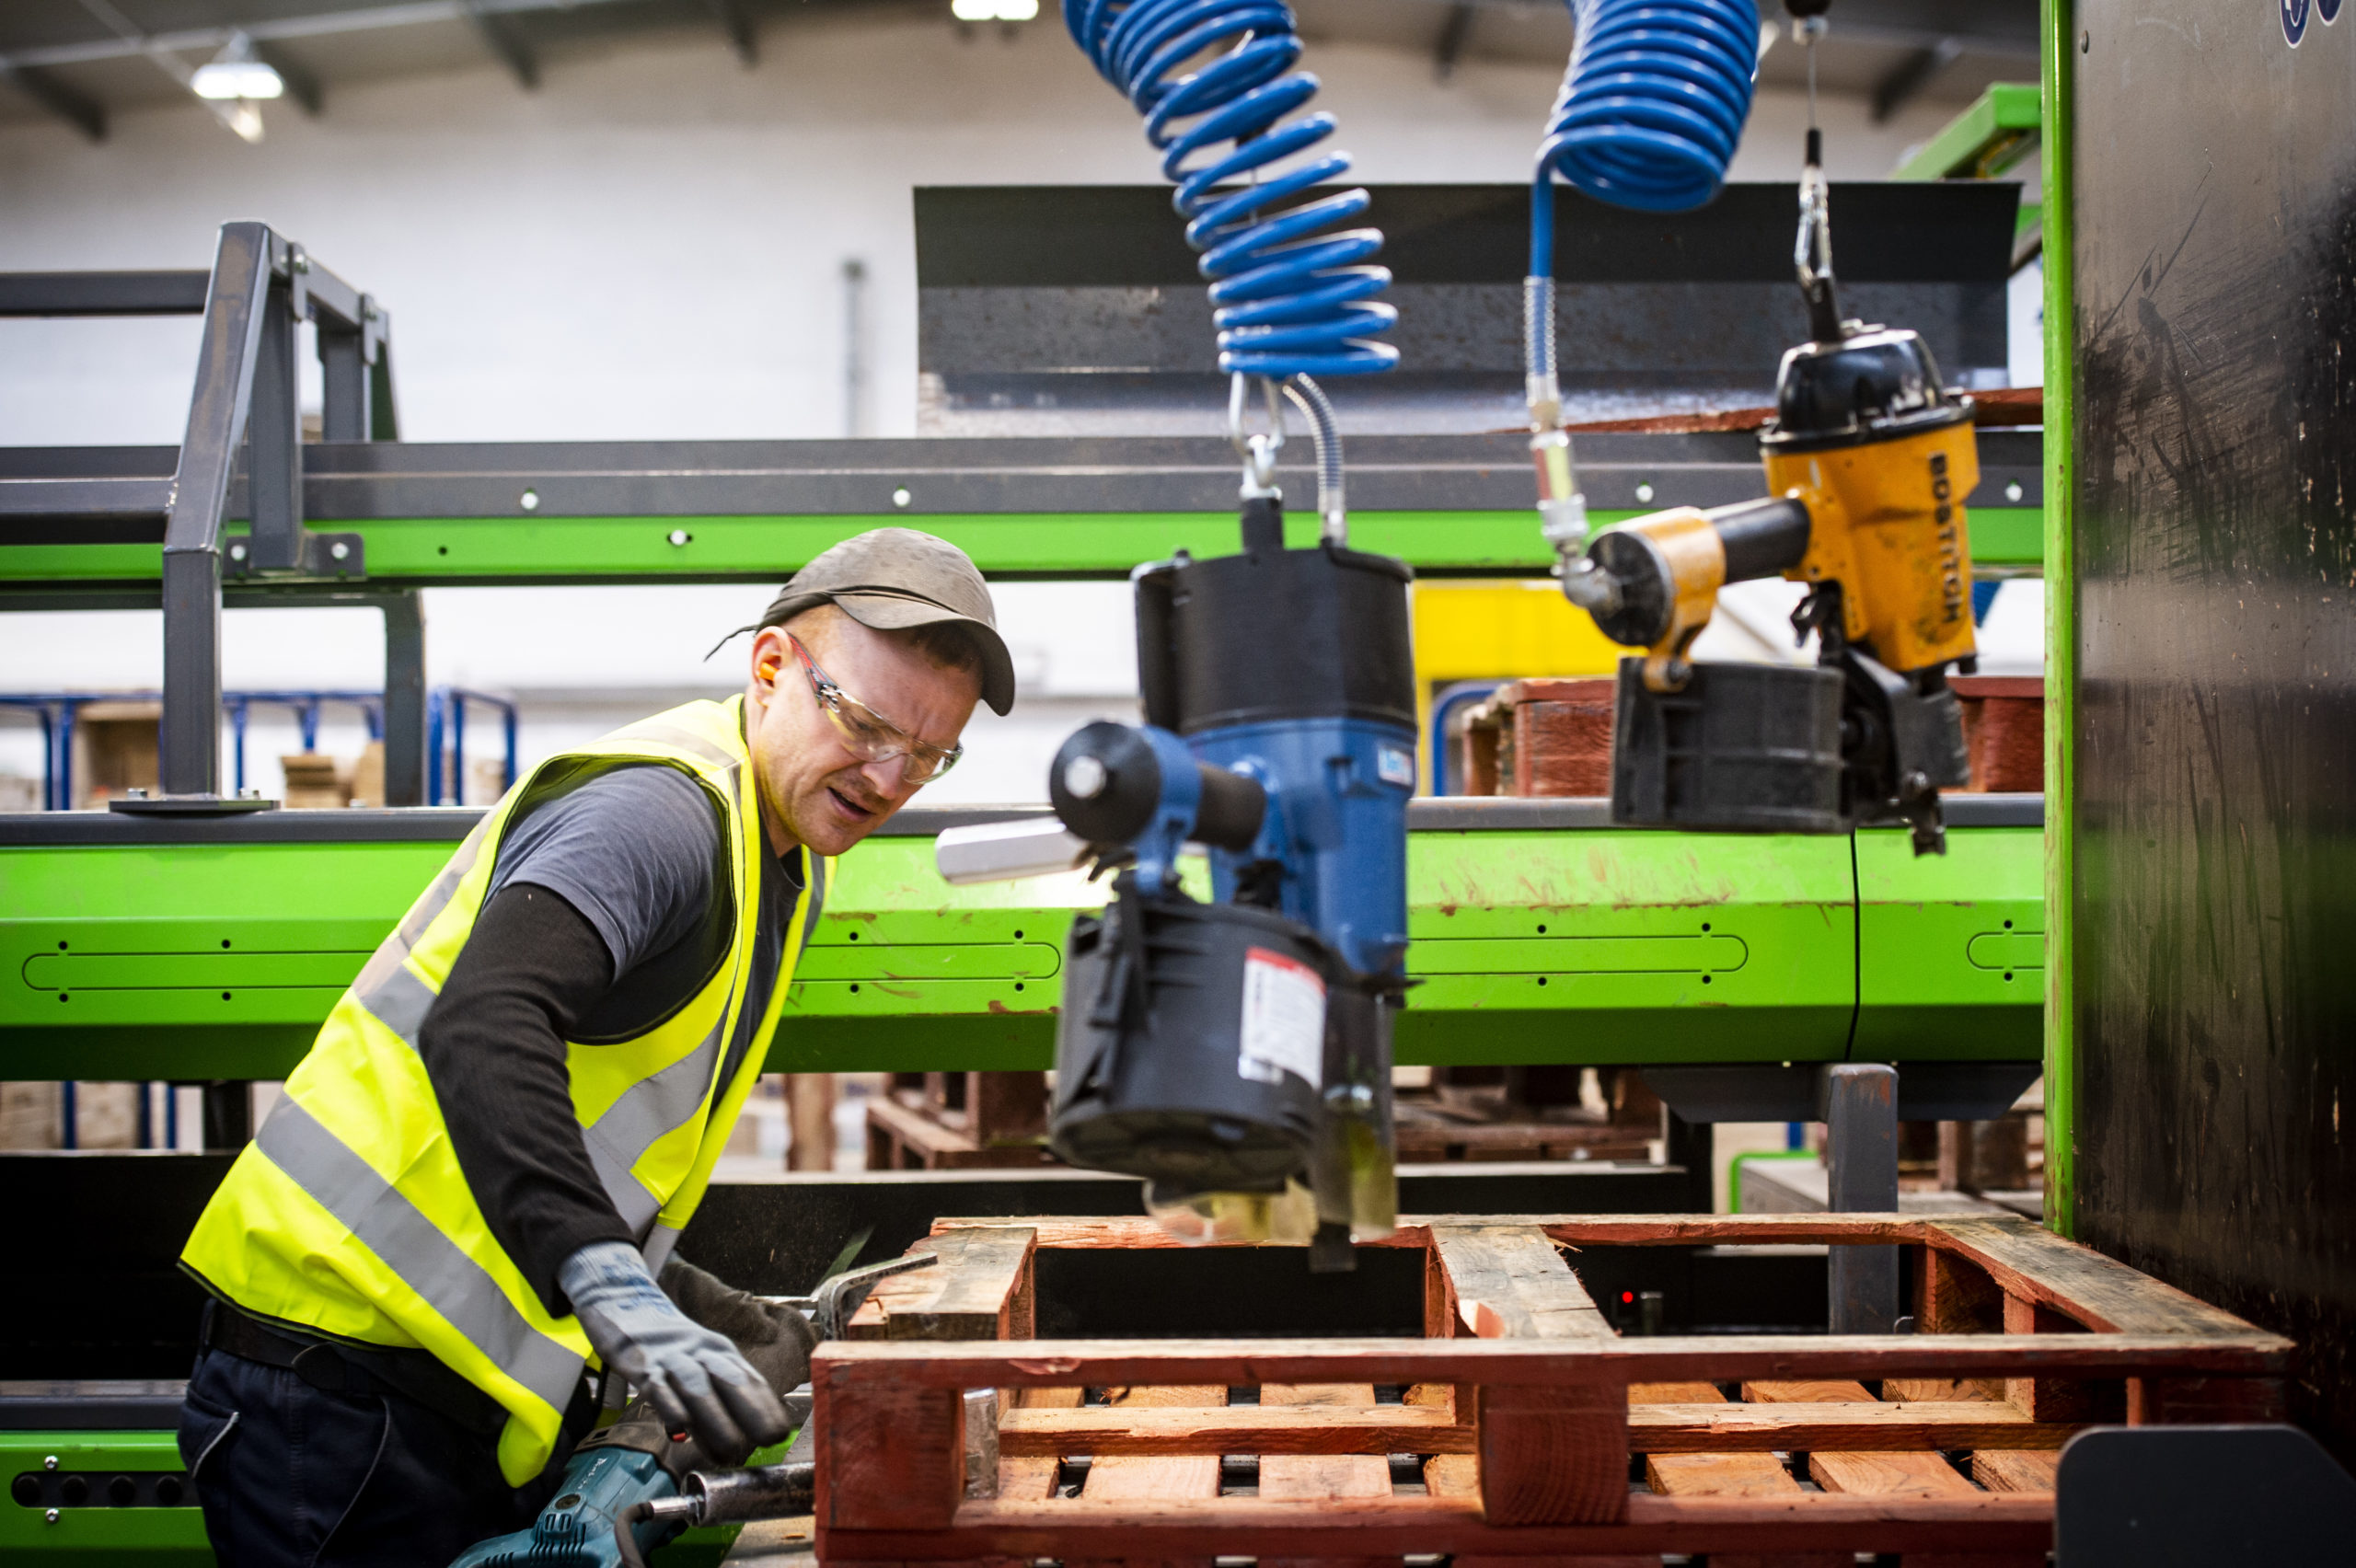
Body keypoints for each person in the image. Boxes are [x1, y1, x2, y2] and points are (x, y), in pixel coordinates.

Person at [174, 529, 1015, 1567]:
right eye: (869, 724)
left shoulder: (781, 852)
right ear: (769, 670)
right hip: (332, 1384)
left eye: (930, 754)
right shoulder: (660, 815)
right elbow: (483, 1022)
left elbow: (598, 1119)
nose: (892, 777)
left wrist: (677, 1292)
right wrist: (600, 1277)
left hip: (429, 1384)